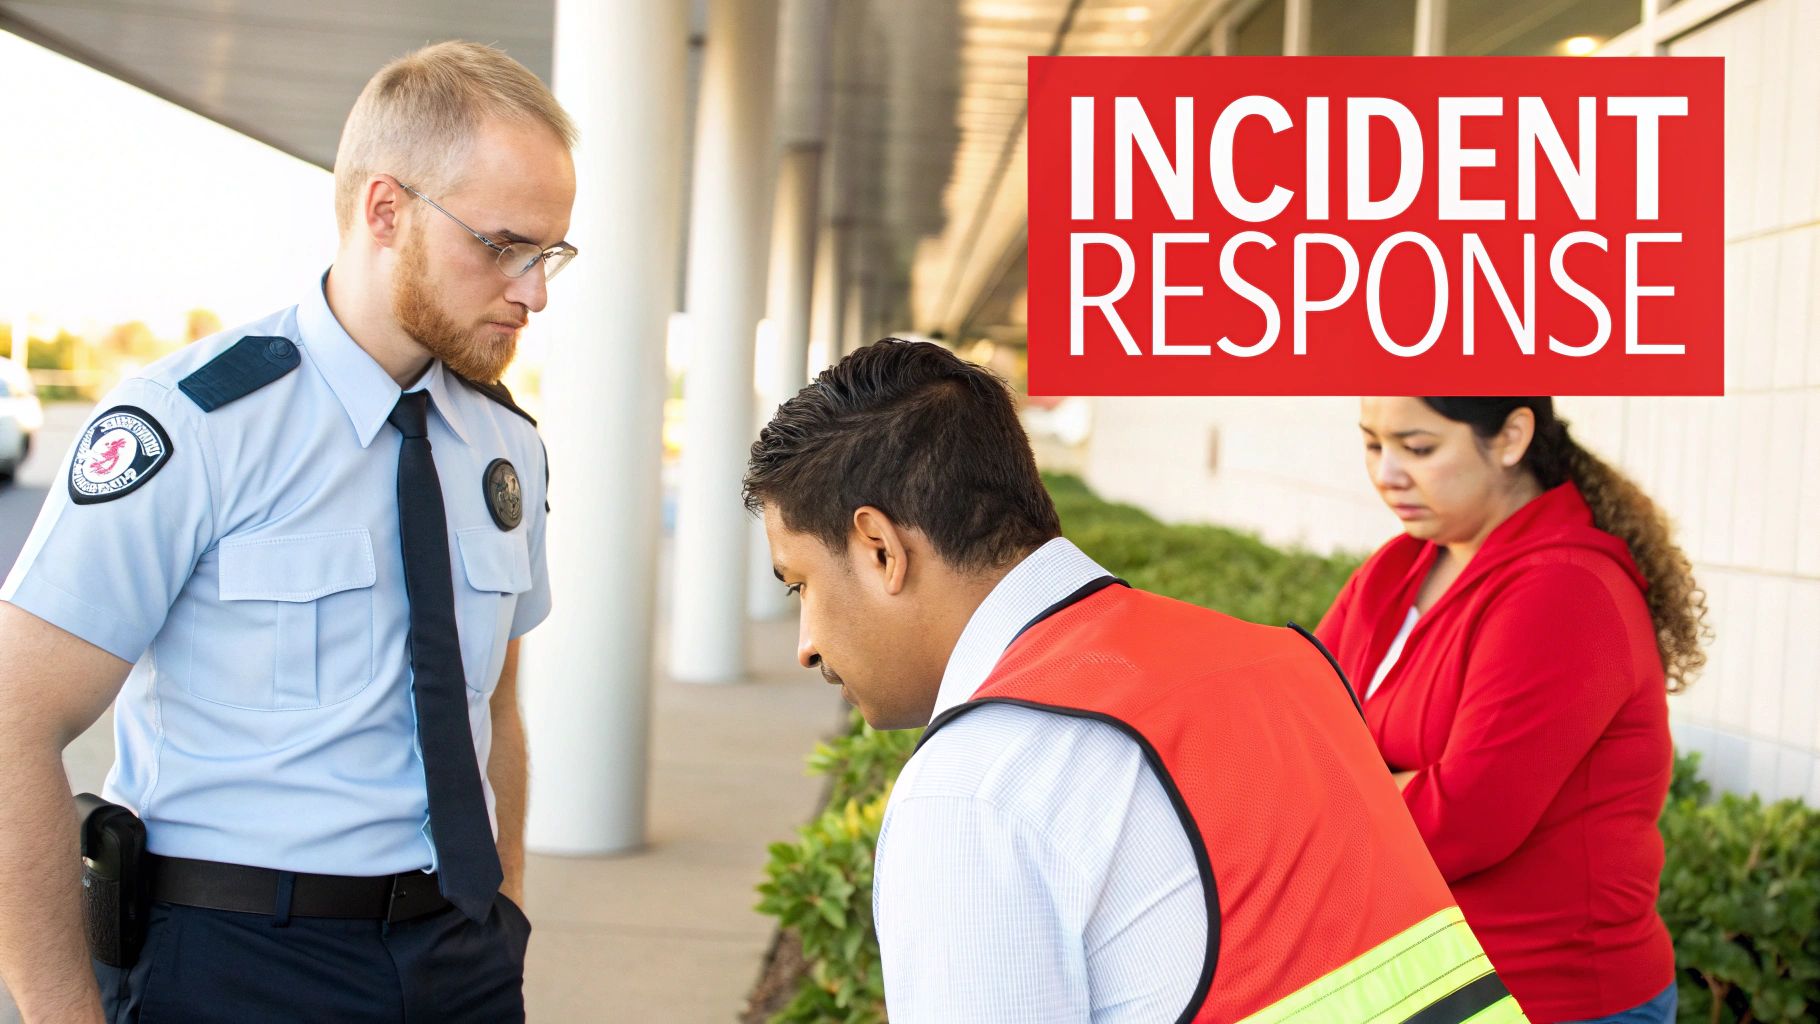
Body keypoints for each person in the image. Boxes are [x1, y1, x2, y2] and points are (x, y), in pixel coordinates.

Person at [0, 41, 575, 1022]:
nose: (534, 292)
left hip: (461, 963)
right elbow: (15, 723)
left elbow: (495, 709)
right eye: (502, 245)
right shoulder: (190, 425)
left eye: (549, 253)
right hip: (236, 967)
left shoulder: (505, 447)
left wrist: (503, 912)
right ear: (384, 210)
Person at [743, 339, 1527, 1024]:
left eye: (799, 583)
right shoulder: (1281, 662)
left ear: (880, 548)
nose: (807, 645)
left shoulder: (975, 788)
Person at [1315, 398, 1707, 1024]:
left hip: (1550, 999)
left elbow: (1461, 824)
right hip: (1413, 983)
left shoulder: (1565, 589)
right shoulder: (1397, 568)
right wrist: (1395, 784)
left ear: (1511, 437)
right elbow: (1295, 732)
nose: (1386, 473)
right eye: (1372, 444)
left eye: (1417, 448)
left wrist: (1336, 788)